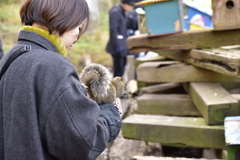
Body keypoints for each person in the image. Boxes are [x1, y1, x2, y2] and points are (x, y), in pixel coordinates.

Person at [0, 0, 121, 159]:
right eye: (78, 23)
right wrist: (110, 113)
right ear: (63, 16)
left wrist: (72, 94)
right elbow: (82, 142)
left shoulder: (12, 56)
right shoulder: (54, 66)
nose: (79, 32)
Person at [105, 0, 135, 77]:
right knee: (118, 71)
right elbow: (113, 30)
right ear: (126, 4)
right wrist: (118, 46)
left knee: (122, 70)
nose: (131, 8)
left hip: (122, 45)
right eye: (131, 6)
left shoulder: (122, 12)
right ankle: (115, 88)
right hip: (117, 47)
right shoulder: (115, 12)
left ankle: (119, 87)